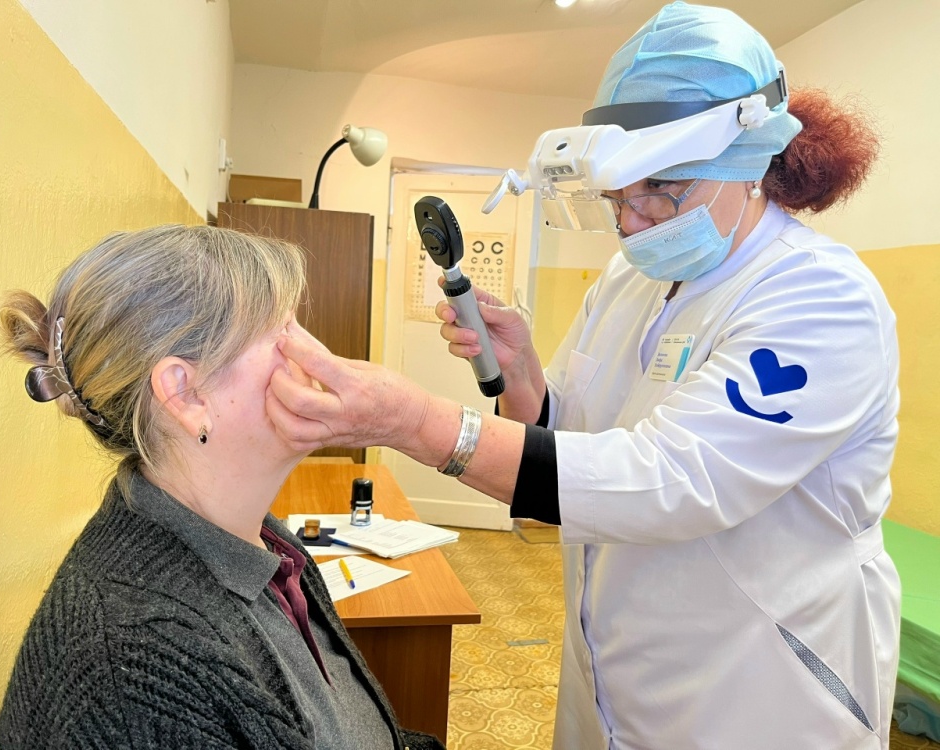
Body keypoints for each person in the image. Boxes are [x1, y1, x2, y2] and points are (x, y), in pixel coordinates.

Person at [266, 3, 900, 749]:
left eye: (659, 187)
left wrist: (414, 423)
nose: (632, 221)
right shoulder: (631, 278)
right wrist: (524, 372)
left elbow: (668, 480)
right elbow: (572, 434)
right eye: (617, 195)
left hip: (757, 686)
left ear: (749, 158)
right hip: (612, 667)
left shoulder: (819, 298)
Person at [0, 225, 443, 750]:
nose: (314, 352)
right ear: (185, 395)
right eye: (282, 331)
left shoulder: (264, 543)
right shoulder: (130, 674)